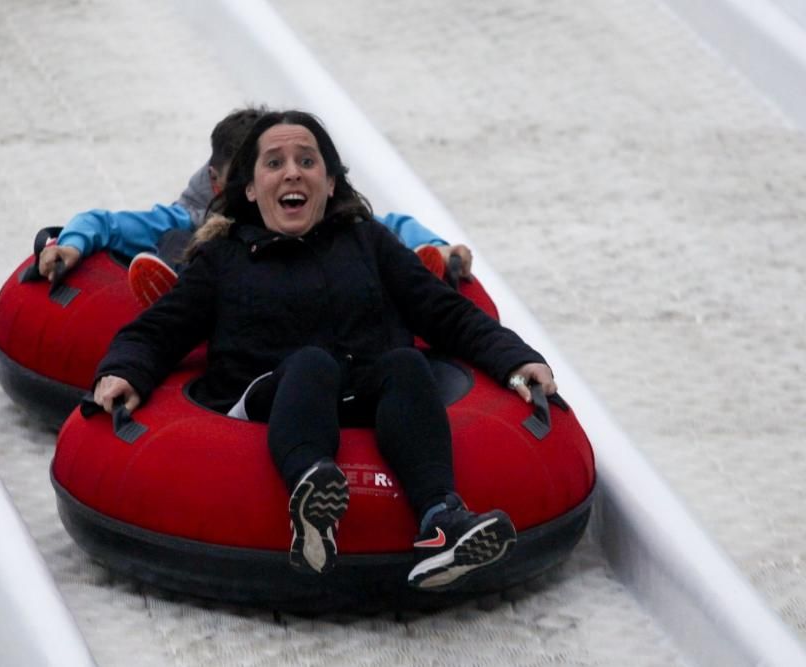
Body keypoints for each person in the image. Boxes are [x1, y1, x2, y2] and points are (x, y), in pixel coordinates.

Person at [91, 110, 556, 591]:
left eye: (307, 161)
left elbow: (446, 312)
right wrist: (124, 371)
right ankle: (311, 498)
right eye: (274, 163)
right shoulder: (224, 256)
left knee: (405, 363)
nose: (292, 171)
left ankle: (443, 522)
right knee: (312, 363)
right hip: (265, 400)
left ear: (329, 182)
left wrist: (516, 360)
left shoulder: (367, 242)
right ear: (250, 188)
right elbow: (159, 329)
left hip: (360, 396)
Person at [36, 107, 474, 307]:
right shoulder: (192, 217)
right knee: (184, 244)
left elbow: (385, 224)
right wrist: (71, 246)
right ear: (217, 182)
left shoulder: (307, 206)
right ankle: (176, 292)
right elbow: (106, 224)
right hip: (222, 300)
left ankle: (414, 276)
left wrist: (437, 246)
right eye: (241, 181)